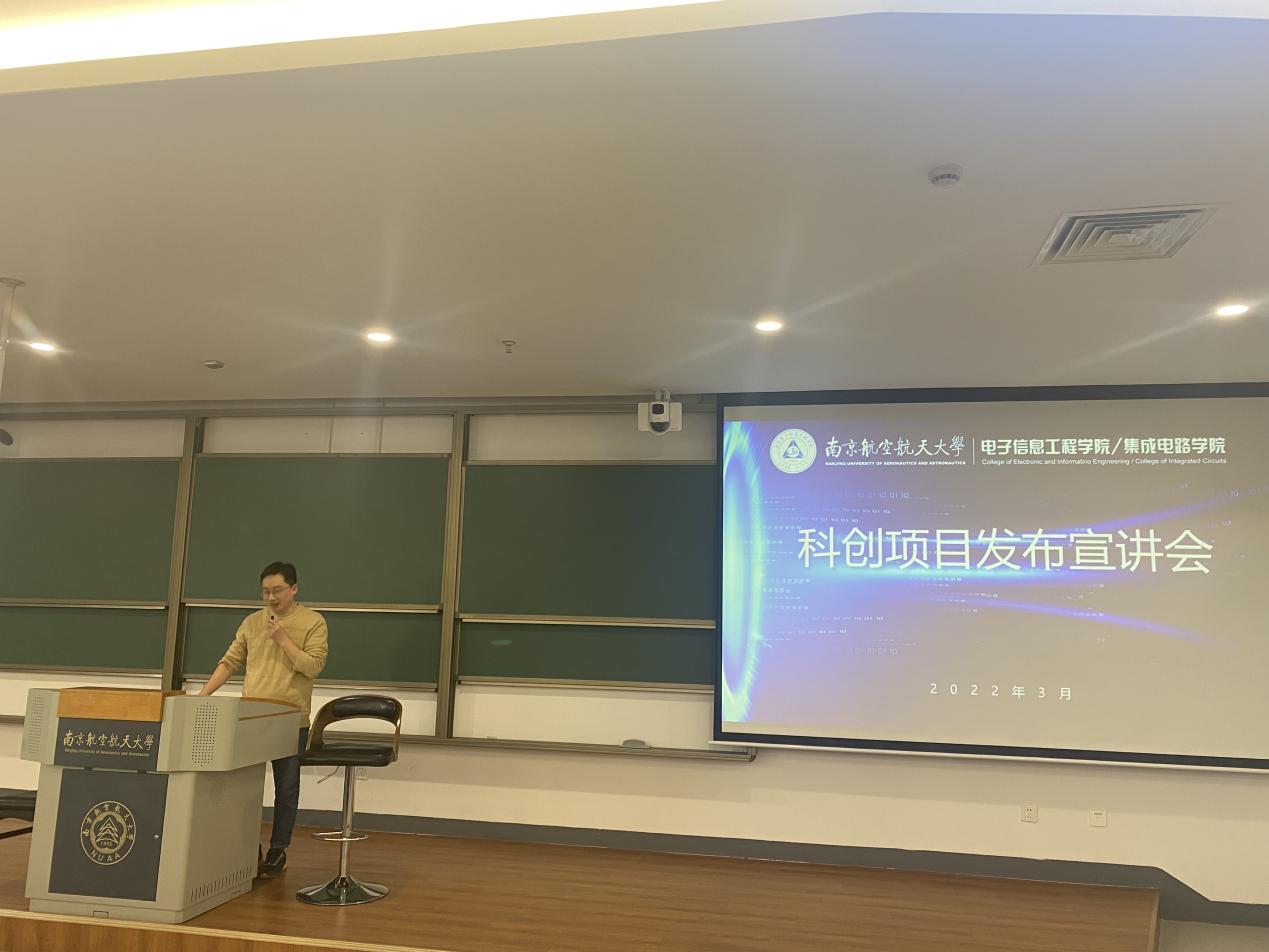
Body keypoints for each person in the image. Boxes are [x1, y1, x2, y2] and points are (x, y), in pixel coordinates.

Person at [199, 561, 328, 878]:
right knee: (243, 786)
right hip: (252, 716)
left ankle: (278, 850)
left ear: (294, 588)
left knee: (286, 788)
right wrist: (202, 696)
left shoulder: (313, 622)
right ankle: (247, 848)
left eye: (277, 590)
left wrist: (283, 639)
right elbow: (230, 662)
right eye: (265, 592)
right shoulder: (251, 622)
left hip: (290, 718)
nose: (271, 598)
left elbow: (313, 667)